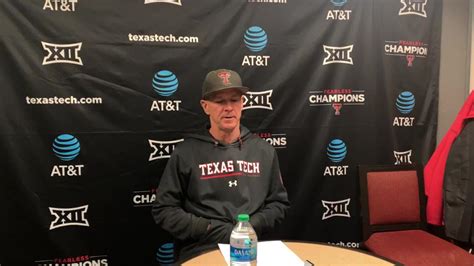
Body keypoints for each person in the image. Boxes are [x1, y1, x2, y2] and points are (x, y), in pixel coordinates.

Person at [152, 68, 290, 260]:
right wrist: (208, 228)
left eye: (234, 100)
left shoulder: (264, 150)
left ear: (243, 104)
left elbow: (278, 203)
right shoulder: (186, 152)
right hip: (203, 248)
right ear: (205, 106)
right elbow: (164, 210)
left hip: (252, 247)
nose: (228, 107)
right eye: (219, 101)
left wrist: (251, 226)